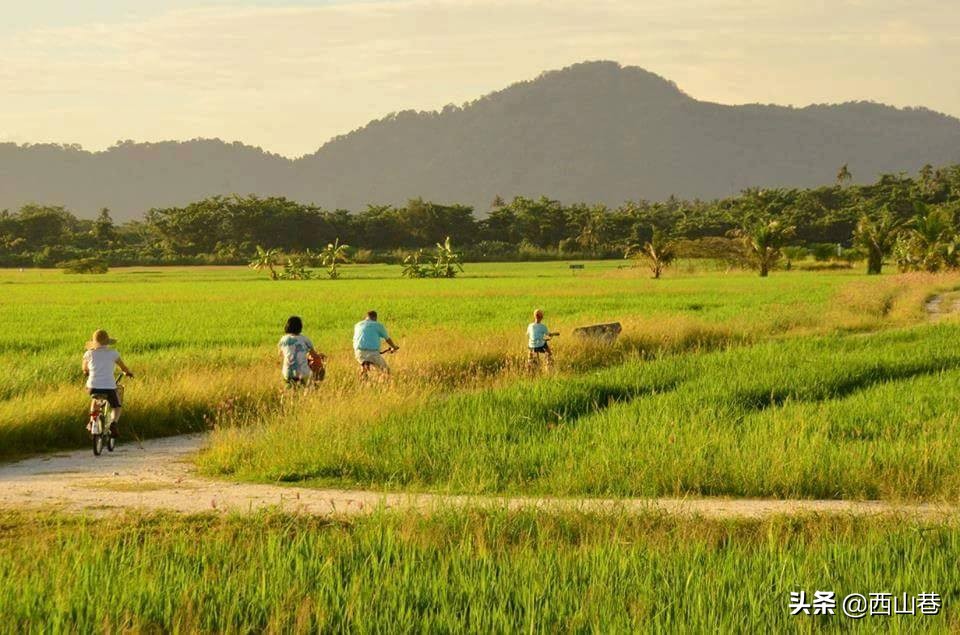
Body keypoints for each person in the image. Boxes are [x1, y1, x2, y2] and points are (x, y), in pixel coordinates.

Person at [82, 329, 134, 437]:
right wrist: (128, 373)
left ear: (94, 342)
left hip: (92, 386)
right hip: (109, 387)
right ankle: (113, 424)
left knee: (95, 399)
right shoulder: (113, 353)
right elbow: (123, 367)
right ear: (107, 342)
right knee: (117, 406)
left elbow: (84, 369)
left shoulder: (89, 353)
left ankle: (92, 421)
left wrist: (87, 373)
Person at [278, 316, 324, 386]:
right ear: (300, 327)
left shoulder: (283, 339)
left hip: (287, 373)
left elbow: (280, 355)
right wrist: (320, 356)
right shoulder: (305, 339)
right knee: (314, 387)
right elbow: (314, 356)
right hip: (303, 373)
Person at [353, 310, 398, 378]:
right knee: (386, 371)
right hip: (372, 353)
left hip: (358, 352)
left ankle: (362, 383)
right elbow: (387, 339)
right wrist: (394, 347)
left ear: (366, 317)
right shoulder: (378, 325)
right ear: (375, 317)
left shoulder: (357, 325)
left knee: (364, 368)